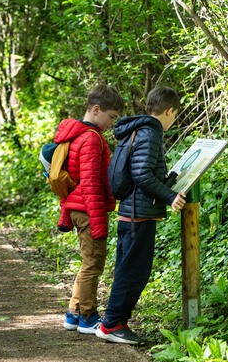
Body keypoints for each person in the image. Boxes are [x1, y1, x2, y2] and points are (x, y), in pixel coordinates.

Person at [96, 86, 186, 344]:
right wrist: (170, 197)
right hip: (138, 214)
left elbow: (143, 171)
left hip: (133, 211)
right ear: (169, 111)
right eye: (175, 115)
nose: (173, 120)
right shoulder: (150, 132)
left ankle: (116, 322)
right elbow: (142, 175)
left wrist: (168, 181)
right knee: (133, 271)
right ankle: (112, 324)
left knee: (131, 269)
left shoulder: (140, 129)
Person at [54, 85, 124, 334]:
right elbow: (91, 184)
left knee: (87, 263)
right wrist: (98, 223)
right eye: (111, 116)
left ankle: (74, 313)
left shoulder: (74, 134)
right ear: (96, 110)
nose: (112, 122)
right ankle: (88, 316)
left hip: (78, 207)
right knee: (93, 264)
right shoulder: (92, 139)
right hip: (88, 209)